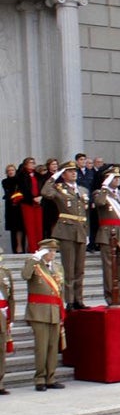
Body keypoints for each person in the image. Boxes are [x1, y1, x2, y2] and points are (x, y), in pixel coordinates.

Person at [41, 160, 91, 310]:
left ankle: (79, 299)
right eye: (69, 171)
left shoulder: (82, 190)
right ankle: (69, 300)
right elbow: (45, 192)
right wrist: (53, 177)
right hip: (66, 230)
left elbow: (85, 213)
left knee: (79, 268)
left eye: (75, 171)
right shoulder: (58, 188)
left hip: (81, 230)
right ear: (63, 174)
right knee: (68, 267)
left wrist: (87, 232)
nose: (74, 173)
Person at [23, 238, 66, 391]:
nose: (53, 254)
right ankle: (40, 379)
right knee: (41, 347)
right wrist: (34, 258)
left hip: (54, 311)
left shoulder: (57, 267)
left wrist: (62, 311)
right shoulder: (34, 265)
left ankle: (51, 378)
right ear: (43, 252)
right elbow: (25, 276)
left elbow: (61, 290)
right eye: (50, 251)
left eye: (54, 251)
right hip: (38, 312)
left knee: (52, 347)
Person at [92, 168, 120, 306]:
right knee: (109, 267)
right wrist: (104, 186)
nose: (117, 179)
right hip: (108, 232)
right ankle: (111, 297)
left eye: (118, 177)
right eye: (113, 177)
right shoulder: (100, 193)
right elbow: (100, 203)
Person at [3, 164, 25, 254]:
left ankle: (21, 246)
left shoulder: (20, 180)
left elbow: (22, 190)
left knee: (20, 226)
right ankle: (15, 248)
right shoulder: (5, 181)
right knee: (13, 228)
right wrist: (15, 196)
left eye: (12, 170)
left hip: (20, 205)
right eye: (9, 171)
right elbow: (9, 191)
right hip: (10, 205)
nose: (11, 172)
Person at [0, 253, 13, 394]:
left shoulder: (5, 272)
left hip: (3, 315)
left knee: (1, 351)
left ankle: (0, 382)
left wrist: (12, 318)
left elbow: (11, 297)